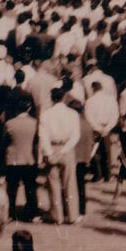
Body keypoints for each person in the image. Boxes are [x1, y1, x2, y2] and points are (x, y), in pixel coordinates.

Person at [38, 86, 81, 224]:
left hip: (52, 147)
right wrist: (63, 151)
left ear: (52, 98)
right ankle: (73, 215)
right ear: (64, 98)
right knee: (70, 183)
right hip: (67, 149)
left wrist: (50, 153)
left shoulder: (46, 115)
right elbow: (75, 136)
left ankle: (57, 216)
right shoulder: (72, 114)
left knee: (53, 184)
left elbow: (43, 136)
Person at [3, 97, 40, 222]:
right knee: (30, 187)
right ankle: (33, 213)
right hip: (29, 158)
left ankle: (10, 213)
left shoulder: (9, 123)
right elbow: (36, 141)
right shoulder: (35, 123)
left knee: (12, 188)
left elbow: (5, 140)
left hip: (13, 158)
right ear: (29, 108)